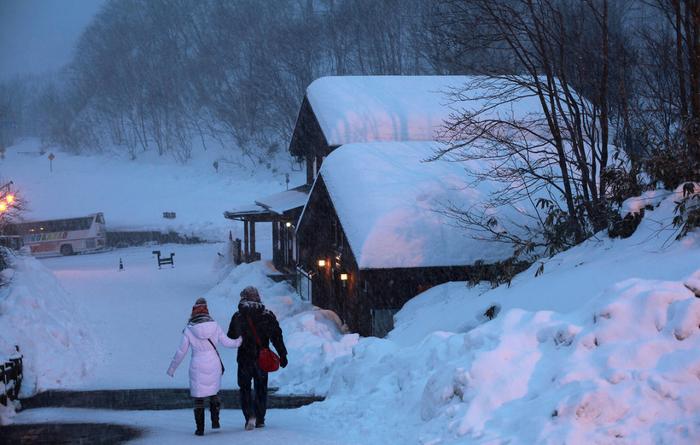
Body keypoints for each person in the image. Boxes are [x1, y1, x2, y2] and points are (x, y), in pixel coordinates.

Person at [167, 297, 241, 436]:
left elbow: (181, 351)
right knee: (214, 393)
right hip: (213, 364)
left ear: (193, 312)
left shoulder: (189, 330)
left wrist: (172, 369)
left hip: (197, 364)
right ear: (207, 311)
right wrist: (240, 340)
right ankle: (215, 421)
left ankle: (200, 428)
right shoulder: (215, 326)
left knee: (199, 398)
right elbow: (228, 343)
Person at [227, 286, 288, 431]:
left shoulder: (239, 316)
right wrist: (282, 354)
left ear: (244, 298)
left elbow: (231, 335)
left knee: (245, 389)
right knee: (261, 389)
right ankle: (260, 418)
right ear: (258, 297)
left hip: (244, 358)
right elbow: (276, 336)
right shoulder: (267, 315)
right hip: (262, 358)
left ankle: (249, 416)